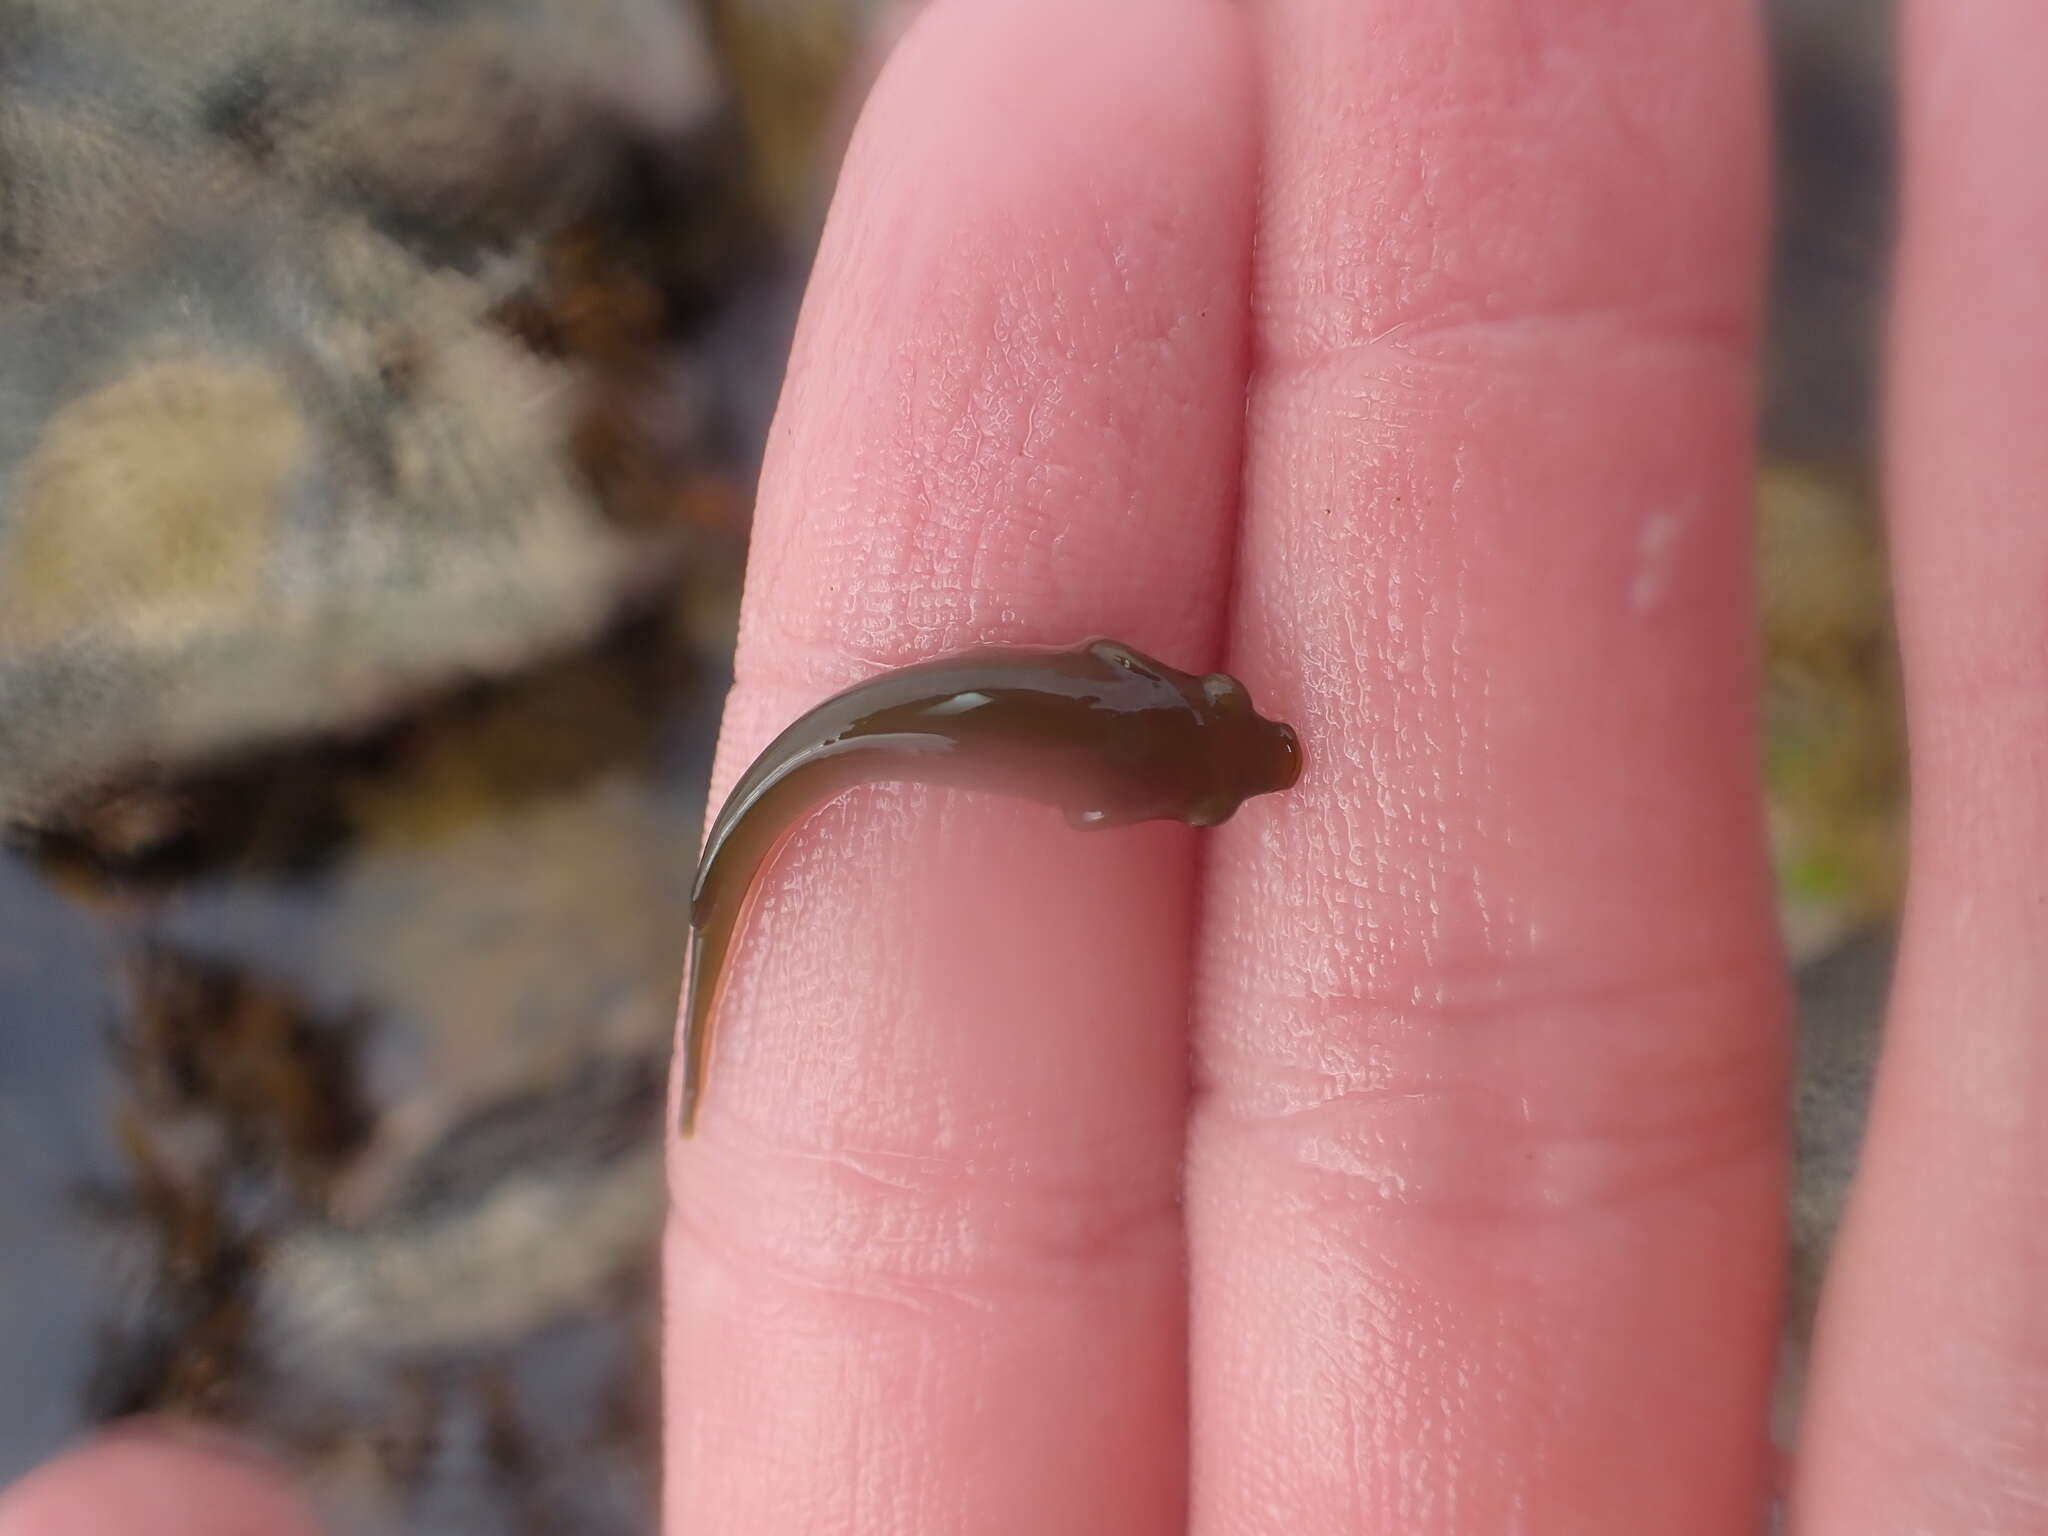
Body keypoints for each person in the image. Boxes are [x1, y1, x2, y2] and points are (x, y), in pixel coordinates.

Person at [6, 0, 2041, 1530]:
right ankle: (733, 887)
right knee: (819, 772)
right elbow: (1104, 751)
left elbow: (1106, 726)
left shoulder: (1137, 743)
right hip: (899, 741)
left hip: (930, 734)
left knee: (832, 767)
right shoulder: (1135, 767)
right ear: (1179, 764)